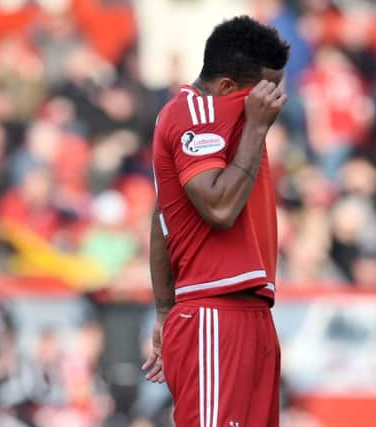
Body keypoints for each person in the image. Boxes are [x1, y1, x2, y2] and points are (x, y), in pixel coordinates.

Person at [142, 16, 289, 427]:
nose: (275, 99)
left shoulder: (229, 122)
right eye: (265, 87)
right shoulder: (197, 112)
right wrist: (257, 128)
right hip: (214, 314)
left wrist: (163, 310)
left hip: (252, 314)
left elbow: (162, 216)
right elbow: (220, 208)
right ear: (226, 86)